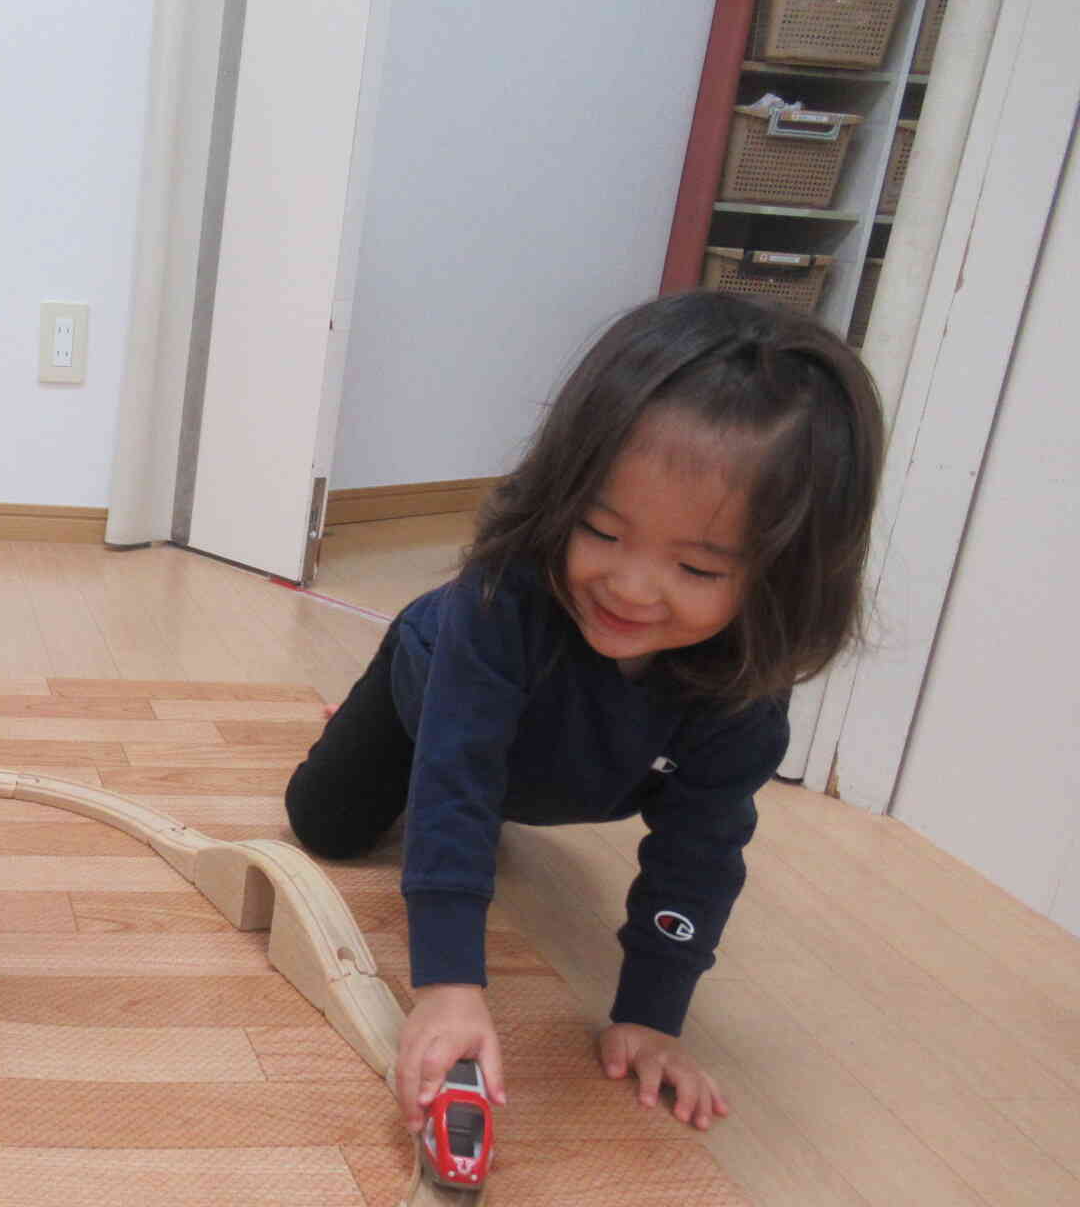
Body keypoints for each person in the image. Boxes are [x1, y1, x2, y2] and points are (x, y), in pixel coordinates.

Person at [286, 290, 883, 1133]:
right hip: (434, 686)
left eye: (700, 570)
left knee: (493, 803)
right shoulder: (505, 600)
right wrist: (450, 987)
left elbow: (702, 844)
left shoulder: (744, 680)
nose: (632, 588)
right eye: (601, 532)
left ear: (782, 580)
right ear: (563, 496)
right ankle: (374, 705)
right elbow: (458, 774)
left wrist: (651, 1012)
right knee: (328, 825)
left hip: (563, 759)